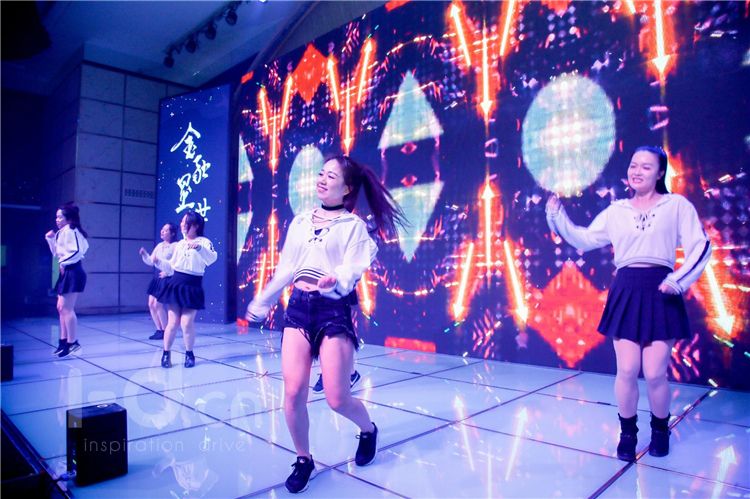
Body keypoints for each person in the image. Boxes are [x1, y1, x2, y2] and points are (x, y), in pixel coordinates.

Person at [246, 155, 406, 494]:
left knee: (337, 398)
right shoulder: (301, 222)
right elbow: (286, 269)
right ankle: (304, 458)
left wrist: (336, 280)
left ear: (346, 188)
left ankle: (368, 430)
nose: (321, 179)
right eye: (321, 173)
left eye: (330, 176)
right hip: (298, 309)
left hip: (333, 311)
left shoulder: (352, 226)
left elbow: (353, 268)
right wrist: (264, 300)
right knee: (293, 392)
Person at [546, 146, 711, 461]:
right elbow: (584, 239)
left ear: (660, 172)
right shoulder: (616, 210)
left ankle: (660, 430)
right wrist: (557, 217)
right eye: (634, 165)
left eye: (646, 167)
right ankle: (628, 433)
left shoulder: (677, 205)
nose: (637, 171)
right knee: (627, 369)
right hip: (626, 289)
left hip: (662, 289)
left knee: (655, 373)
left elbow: (701, 246)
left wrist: (678, 280)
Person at [154, 211, 217, 368]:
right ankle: (166, 354)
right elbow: (172, 265)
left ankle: (189, 354)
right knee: (172, 322)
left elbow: (211, 258)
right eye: (182, 221)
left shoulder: (204, 242)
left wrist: (199, 248)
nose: (182, 224)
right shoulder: (180, 244)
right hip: (176, 284)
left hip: (193, 286)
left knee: (187, 322)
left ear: (195, 225)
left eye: (185, 222)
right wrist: (158, 262)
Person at [45, 203, 90, 358]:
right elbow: (57, 254)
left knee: (67, 308)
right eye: (56, 217)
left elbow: (77, 251)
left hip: (73, 271)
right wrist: (50, 239)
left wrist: (63, 263)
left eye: (60, 217)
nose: (57, 220)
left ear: (68, 218)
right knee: (60, 308)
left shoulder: (71, 230)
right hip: (67, 271)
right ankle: (63, 341)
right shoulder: (61, 232)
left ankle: (73, 343)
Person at [139, 223, 178, 340]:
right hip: (159, 278)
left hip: (168, 278)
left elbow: (176, 265)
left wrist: (166, 270)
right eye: (162, 229)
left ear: (172, 233)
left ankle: (166, 330)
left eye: (166, 230)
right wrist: (145, 255)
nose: (162, 231)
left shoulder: (176, 246)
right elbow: (151, 261)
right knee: (151, 304)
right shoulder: (160, 245)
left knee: (158, 304)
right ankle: (159, 329)